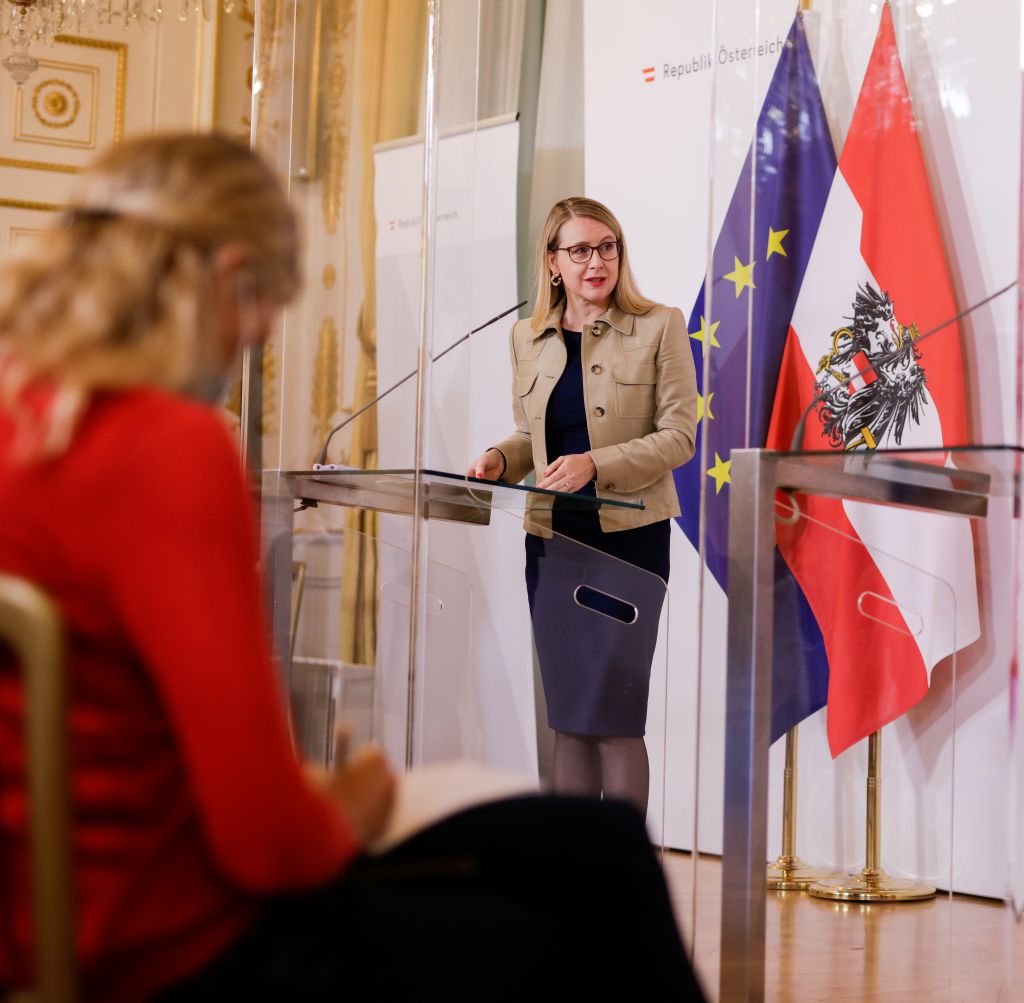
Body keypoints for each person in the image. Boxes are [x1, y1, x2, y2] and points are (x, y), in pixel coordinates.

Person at [0, 135, 703, 1001]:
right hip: (165, 932)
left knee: (584, 830)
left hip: (43, 906)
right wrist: (360, 803)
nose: (254, 340)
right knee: (595, 865)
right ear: (229, 273)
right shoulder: (165, 445)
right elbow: (268, 839)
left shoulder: (24, 420)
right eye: (266, 313)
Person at [467, 197, 695, 812]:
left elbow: (680, 437)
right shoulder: (526, 336)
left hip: (629, 542)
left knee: (615, 717)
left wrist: (599, 465)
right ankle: (571, 885)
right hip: (552, 542)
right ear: (553, 262)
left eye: (608, 247)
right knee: (569, 719)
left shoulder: (660, 325)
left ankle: (620, 888)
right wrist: (499, 458)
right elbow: (534, 439)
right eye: (581, 250)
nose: (597, 261)